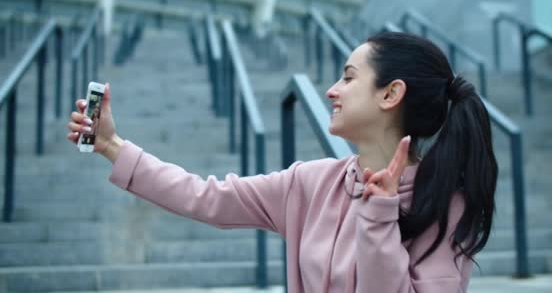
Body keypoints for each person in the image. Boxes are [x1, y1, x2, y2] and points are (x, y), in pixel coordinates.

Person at [67, 32, 497, 292]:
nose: (332, 90)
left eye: (348, 77)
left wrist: (381, 214)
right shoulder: (309, 184)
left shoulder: (446, 204)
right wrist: (110, 145)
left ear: (391, 94)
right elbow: (204, 197)